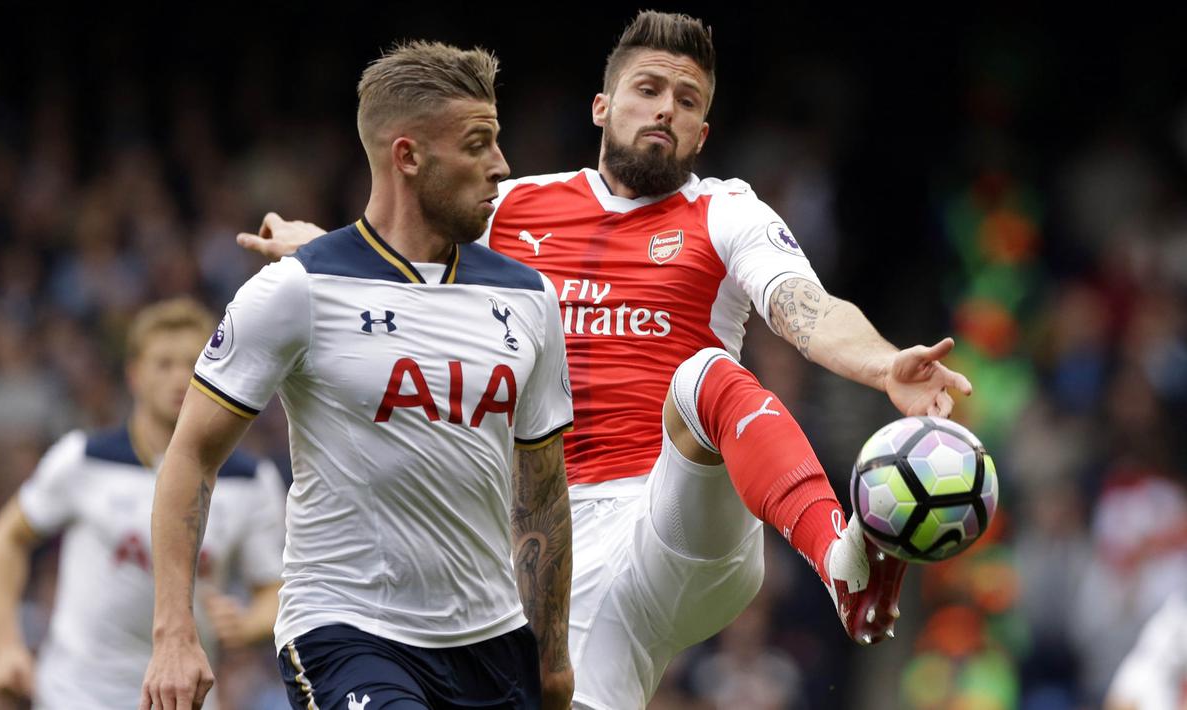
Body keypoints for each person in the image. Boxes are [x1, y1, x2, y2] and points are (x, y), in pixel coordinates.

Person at [238, 12, 973, 709]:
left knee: (703, 376)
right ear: (601, 106)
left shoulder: (725, 211)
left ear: (702, 130)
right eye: (648, 90)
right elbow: (395, 244)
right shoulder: (510, 208)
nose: (665, 110)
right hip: (544, 545)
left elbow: (803, 308)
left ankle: (839, 560)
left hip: (668, 515)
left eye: (687, 101)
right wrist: (313, 243)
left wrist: (882, 366)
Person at [140, 41, 575, 710]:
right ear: (407, 156)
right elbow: (191, 455)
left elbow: (541, 494)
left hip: (493, 643)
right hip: (348, 633)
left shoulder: (528, 297)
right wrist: (174, 632)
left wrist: (552, 656)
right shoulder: (298, 290)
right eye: (478, 144)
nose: (501, 167)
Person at [0, 297, 285, 710]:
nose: (181, 378)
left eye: (193, 363)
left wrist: (249, 624)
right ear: (135, 375)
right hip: (73, 695)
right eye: (164, 364)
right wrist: (5, 643)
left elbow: (276, 591)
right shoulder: (84, 458)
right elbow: (5, 538)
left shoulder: (250, 480)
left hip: (183, 698)